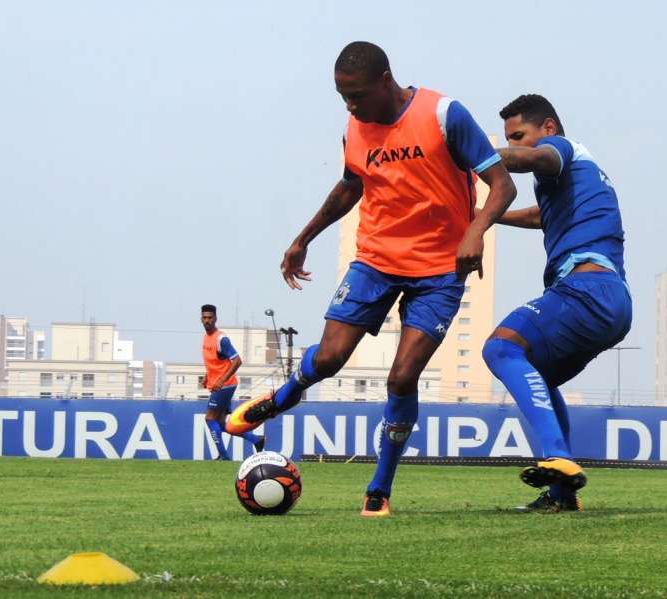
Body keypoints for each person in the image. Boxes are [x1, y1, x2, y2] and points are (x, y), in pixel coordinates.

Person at [227, 42, 516, 517]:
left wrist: (475, 232)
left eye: (357, 95)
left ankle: (379, 487)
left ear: (386, 80)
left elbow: (502, 184)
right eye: (343, 97)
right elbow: (350, 185)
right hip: (375, 260)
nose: (350, 106)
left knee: (402, 378)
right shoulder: (354, 128)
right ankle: (282, 397)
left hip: (440, 270)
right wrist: (304, 238)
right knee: (330, 358)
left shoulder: (445, 114)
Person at [482, 94, 631, 512]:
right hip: (611, 300)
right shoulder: (578, 179)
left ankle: (557, 457)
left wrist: (478, 157)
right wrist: (485, 215)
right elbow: (539, 217)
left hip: (586, 291)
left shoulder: (562, 150)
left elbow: (539, 159)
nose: (517, 145)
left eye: (519, 136)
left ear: (548, 128)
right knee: (538, 375)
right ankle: (563, 495)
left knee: (501, 347)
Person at [200, 305, 264, 459]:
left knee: (209, 419)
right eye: (204, 317)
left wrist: (221, 380)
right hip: (219, 384)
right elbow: (216, 362)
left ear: (215, 319)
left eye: (210, 318)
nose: (207, 320)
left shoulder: (221, 339)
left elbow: (237, 360)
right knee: (221, 425)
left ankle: (223, 456)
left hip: (225, 386)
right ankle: (256, 439)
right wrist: (207, 377)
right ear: (201, 319)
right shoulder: (206, 337)